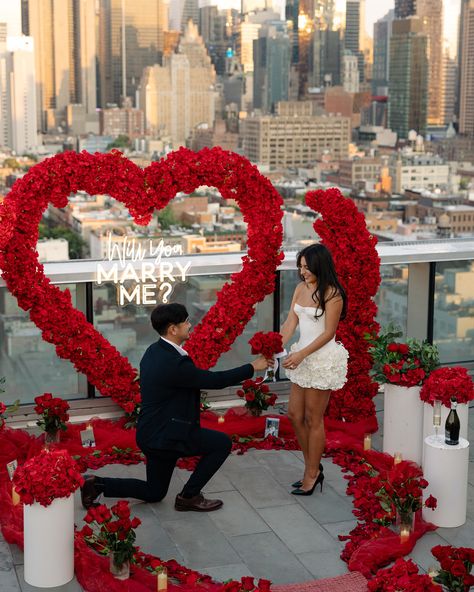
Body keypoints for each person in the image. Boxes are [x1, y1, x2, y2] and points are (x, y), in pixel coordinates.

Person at [81, 303, 271, 512]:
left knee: (155, 492)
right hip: (168, 435)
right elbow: (215, 380)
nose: (190, 325)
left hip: (152, 432)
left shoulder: (154, 351)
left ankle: (96, 484)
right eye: (187, 321)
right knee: (221, 444)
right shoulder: (173, 363)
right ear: (173, 329)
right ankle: (188, 496)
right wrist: (253, 367)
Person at [280, 244, 348, 496]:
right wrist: (276, 344)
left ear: (320, 265)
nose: (302, 272)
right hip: (302, 356)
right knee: (294, 414)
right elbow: (290, 323)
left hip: (322, 358)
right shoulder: (300, 288)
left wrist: (301, 354)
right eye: (300, 267)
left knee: (313, 417)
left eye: (307, 267)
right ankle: (313, 466)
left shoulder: (333, 294)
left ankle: (311, 473)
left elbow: (329, 333)